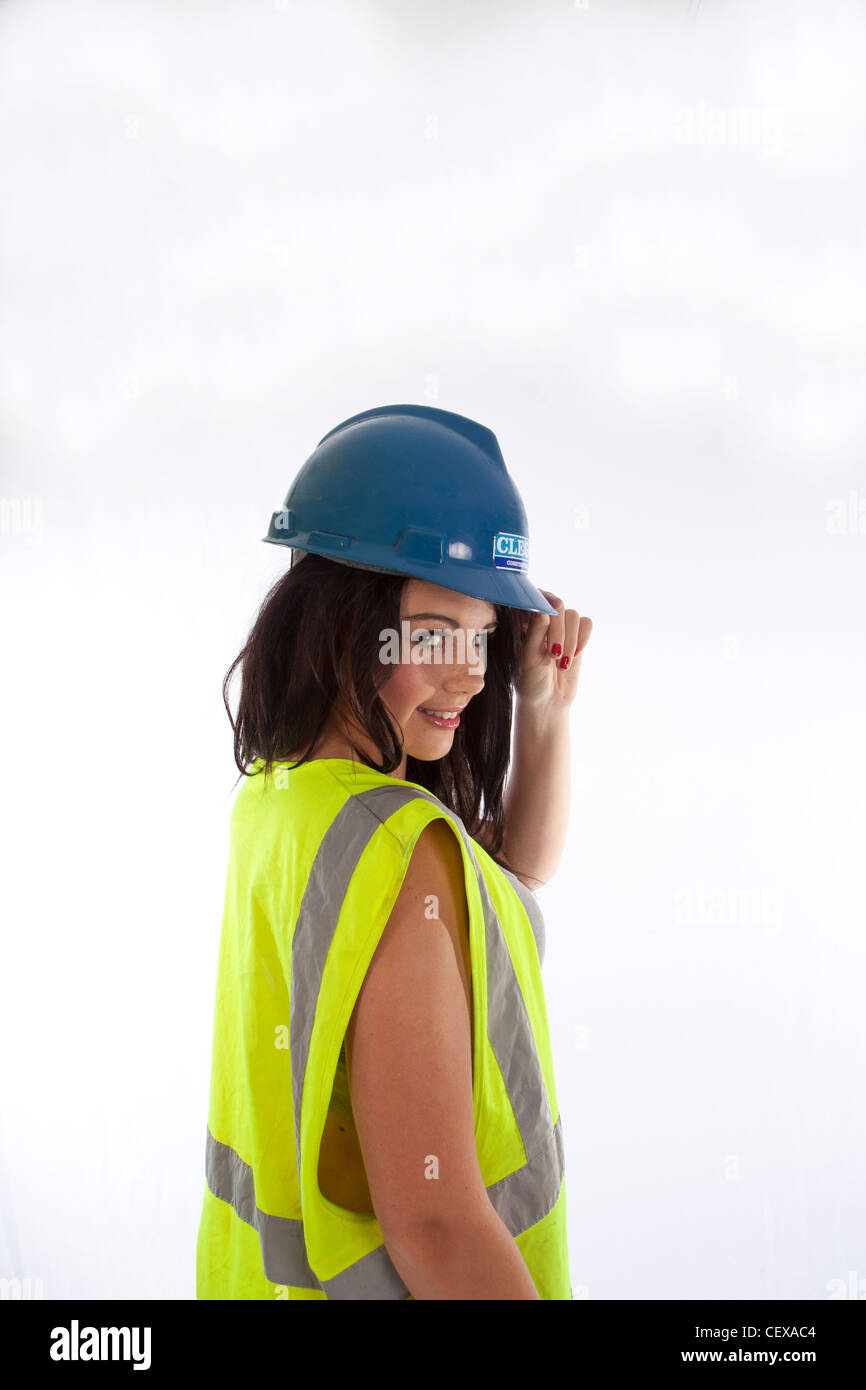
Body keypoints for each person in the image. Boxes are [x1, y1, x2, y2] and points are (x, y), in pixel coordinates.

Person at [195, 404, 592, 1299]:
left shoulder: (280, 798)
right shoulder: (394, 849)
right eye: (436, 634)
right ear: (344, 621)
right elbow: (439, 1226)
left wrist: (548, 713)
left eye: (485, 635)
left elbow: (513, 878)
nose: (473, 675)